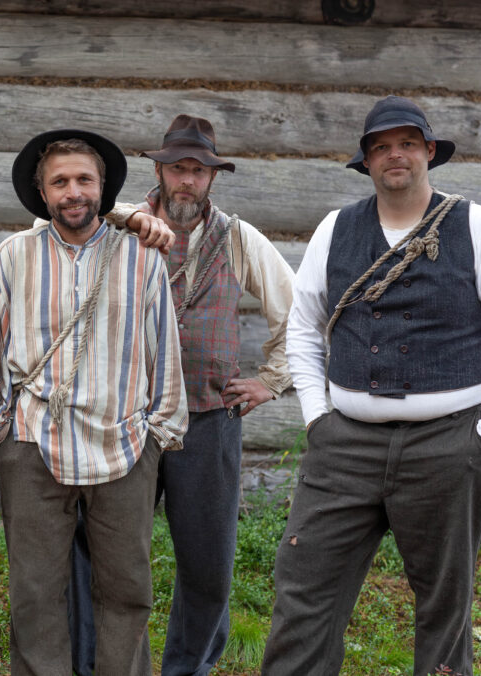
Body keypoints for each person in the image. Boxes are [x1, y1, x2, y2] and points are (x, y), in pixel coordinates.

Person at [261, 96, 481, 676]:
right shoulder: (336, 229)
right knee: (303, 590)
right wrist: (317, 416)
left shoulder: (476, 224)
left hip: (449, 444)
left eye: (408, 143)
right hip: (344, 446)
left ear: (429, 152)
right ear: (365, 161)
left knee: (444, 604)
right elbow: (303, 328)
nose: (395, 155)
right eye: (381, 146)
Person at [67, 114, 296, 676]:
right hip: (127, 419)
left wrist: (271, 379)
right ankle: (105, 663)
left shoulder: (238, 237)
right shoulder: (118, 227)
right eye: (177, 169)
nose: (186, 181)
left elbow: (297, 313)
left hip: (209, 420)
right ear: (160, 170)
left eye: (198, 171)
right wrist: (121, 214)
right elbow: (52, 236)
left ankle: (185, 669)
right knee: (106, 556)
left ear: (213, 178)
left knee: (207, 563)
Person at [0, 128, 188, 675]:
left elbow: (162, 347)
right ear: (42, 191)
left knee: (127, 590)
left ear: (103, 187)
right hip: (32, 445)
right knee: (35, 593)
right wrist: (2, 431)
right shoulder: (13, 257)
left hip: (122, 440)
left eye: (84, 179)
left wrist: (159, 433)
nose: (73, 192)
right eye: (60, 182)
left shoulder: (142, 258)